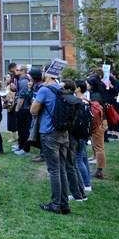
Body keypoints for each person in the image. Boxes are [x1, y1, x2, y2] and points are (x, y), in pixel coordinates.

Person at [31, 74, 71, 214]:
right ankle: (64, 204)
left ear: (47, 74)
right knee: (62, 169)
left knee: (54, 170)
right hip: (63, 132)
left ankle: (55, 204)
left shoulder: (45, 90)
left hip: (49, 133)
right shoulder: (62, 88)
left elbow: (33, 110)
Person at [86, 74, 108, 177]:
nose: (86, 85)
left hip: (98, 123)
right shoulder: (97, 93)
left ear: (92, 85)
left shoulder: (96, 96)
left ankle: (100, 170)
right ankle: (99, 168)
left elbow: (96, 112)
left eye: (87, 83)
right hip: (100, 122)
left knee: (99, 147)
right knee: (96, 145)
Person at [72, 80, 93, 192]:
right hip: (84, 134)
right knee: (84, 158)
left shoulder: (81, 101)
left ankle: (86, 184)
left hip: (80, 133)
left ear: (79, 88)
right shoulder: (85, 100)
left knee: (78, 160)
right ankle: (87, 181)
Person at [14, 65, 32, 155]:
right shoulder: (21, 80)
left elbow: (22, 97)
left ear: (23, 71)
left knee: (24, 129)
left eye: (18, 70)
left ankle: (26, 148)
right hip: (23, 108)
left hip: (24, 108)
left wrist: (17, 108)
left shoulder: (24, 81)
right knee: (20, 128)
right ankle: (21, 146)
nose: (16, 71)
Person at [4, 72, 18, 144]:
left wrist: (10, 104)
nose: (6, 78)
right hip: (8, 104)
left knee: (13, 121)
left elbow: (13, 96)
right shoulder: (8, 86)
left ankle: (14, 137)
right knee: (10, 120)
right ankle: (12, 136)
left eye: (8, 77)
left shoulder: (12, 86)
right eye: (6, 77)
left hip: (12, 105)